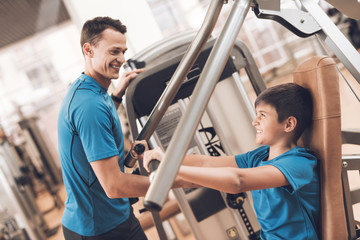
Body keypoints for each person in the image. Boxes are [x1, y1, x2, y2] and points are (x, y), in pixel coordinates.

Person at [143, 83, 320, 239]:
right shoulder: (259, 156)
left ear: (288, 124)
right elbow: (206, 162)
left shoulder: (299, 163)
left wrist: (169, 166)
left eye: (262, 115)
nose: (254, 121)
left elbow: (238, 182)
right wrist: (162, 157)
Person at [57, 16, 150, 240]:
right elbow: (114, 186)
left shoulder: (91, 89)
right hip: (98, 229)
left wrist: (117, 95)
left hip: (114, 215)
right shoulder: (89, 106)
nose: (121, 59)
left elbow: (102, 116)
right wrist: (172, 180)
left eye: (123, 52)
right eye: (114, 51)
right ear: (88, 50)